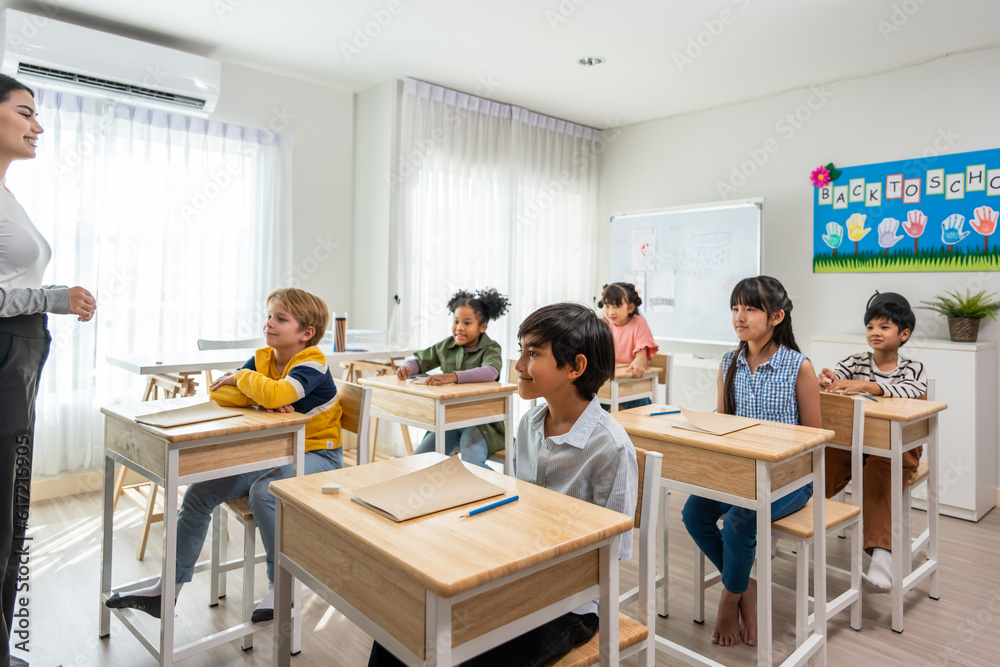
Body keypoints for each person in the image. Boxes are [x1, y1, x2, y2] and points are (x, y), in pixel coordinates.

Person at [370, 302, 637, 666]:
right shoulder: (530, 424)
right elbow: (520, 500)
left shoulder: (611, 447)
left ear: (575, 367)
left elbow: (611, 553)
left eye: (533, 353)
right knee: (404, 625)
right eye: (520, 351)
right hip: (517, 578)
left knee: (463, 656)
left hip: (571, 605)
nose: (518, 366)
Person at [106, 287, 341, 623]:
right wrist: (263, 394)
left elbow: (267, 392)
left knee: (265, 493)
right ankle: (167, 588)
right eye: (269, 316)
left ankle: (281, 586)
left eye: (280, 318)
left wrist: (249, 381)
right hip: (273, 452)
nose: (268, 324)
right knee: (200, 492)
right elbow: (222, 394)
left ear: (306, 333)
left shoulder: (312, 361)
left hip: (319, 456)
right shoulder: (263, 358)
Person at [0, 74, 96, 667]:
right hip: (9, 352)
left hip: (20, 353)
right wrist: (51, 298)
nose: (39, 126)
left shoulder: (9, 195)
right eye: (26, 112)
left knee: (11, 514)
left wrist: (49, 298)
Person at [681, 276, 821, 648]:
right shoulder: (729, 362)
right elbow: (723, 421)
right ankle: (744, 584)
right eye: (735, 308)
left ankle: (730, 598)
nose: (739, 317)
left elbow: (815, 439)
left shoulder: (798, 366)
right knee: (693, 514)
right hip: (741, 473)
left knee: (743, 518)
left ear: (776, 316)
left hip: (791, 480)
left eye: (750, 309)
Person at [818, 291, 927, 593]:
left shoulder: (912, 368)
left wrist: (868, 385)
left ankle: (882, 561)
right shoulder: (856, 360)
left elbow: (912, 390)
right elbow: (836, 376)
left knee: (880, 471)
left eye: (884, 327)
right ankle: (787, 522)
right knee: (822, 459)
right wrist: (827, 378)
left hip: (900, 446)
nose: (875, 333)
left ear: (904, 334)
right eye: (870, 327)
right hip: (857, 442)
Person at [396, 288, 509, 467]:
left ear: (482, 327)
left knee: (471, 465)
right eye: (456, 321)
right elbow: (420, 360)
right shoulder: (447, 345)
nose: (459, 327)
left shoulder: (491, 348)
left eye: (467, 322)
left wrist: (453, 377)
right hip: (449, 420)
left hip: (482, 424)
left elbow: (491, 372)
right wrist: (407, 367)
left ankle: (508, 491)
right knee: (418, 462)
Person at [598, 282, 659, 410]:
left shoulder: (638, 323)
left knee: (631, 404)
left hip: (632, 384)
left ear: (630, 307)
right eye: (607, 306)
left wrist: (639, 362)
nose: (610, 312)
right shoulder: (603, 324)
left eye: (617, 306)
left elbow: (641, 356)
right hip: (611, 383)